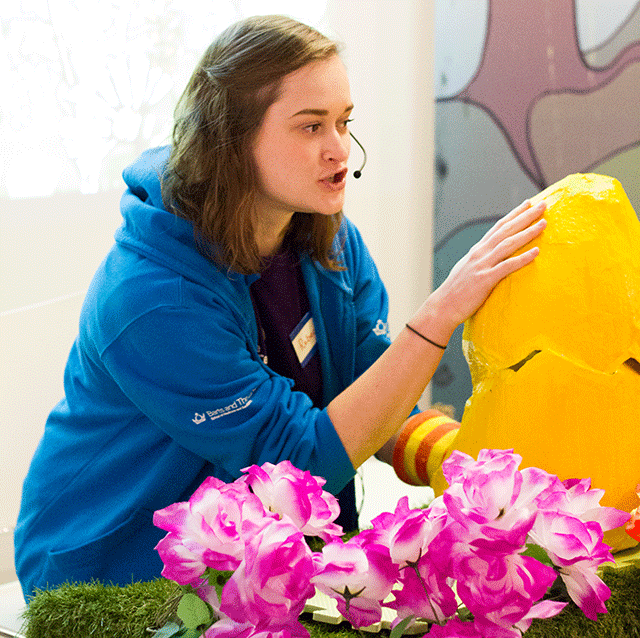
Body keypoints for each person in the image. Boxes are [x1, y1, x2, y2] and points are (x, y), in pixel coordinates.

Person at [14, 14, 546, 599]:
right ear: (231, 140)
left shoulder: (332, 242)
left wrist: (468, 468)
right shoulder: (149, 300)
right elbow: (299, 465)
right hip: (112, 571)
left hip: (257, 565)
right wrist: (441, 315)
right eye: (311, 126)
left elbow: (372, 390)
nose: (339, 149)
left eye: (344, 122)